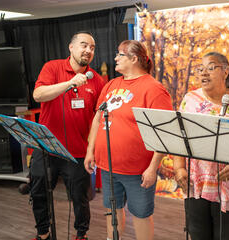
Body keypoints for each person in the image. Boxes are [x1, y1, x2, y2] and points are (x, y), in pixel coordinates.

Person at [84, 40, 173, 240]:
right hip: (107, 166)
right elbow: (98, 118)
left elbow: (164, 133)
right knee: (112, 210)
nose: (115, 58)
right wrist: (90, 151)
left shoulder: (153, 89)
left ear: (134, 59)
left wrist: (153, 168)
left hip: (137, 170)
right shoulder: (112, 84)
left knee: (141, 214)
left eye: (120, 54)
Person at [30, 31, 106, 240]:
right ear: (71, 47)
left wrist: (92, 148)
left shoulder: (96, 80)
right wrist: (70, 83)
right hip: (46, 147)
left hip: (77, 151)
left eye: (92, 47)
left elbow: (98, 118)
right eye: (84, 45)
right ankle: (43, 233)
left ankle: (81, 234)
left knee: (80, 199)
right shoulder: (52, 67)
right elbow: (38, 95)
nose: (88, 50)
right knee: (38, 191)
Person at [173, 52, 229, 240]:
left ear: (225, 72)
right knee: (198, 235)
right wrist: (179, 168)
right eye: (200, 69)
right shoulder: (190, 99)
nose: (204, 73)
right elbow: (179, 136)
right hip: (195, 182)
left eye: (211, 68)